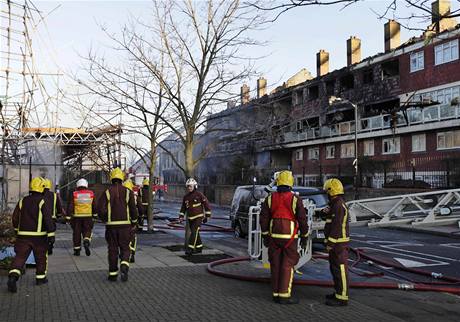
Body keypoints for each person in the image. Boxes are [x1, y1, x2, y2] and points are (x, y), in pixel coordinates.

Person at [259, 170, 309, 305]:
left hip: (274, 235)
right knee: (287, 265)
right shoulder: (295, 199)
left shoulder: (270, 198)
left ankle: (275, 294)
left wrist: (265, 235)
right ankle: (284, 295)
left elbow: (263, 218)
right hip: (290, 237)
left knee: (275, 264)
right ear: (291, 183)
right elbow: (302, 219)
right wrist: (304, 236)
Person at [7, 177, 55, 293]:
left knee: (20, 257)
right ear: (42, 188)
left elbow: (15, 217)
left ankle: (13, 276)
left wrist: (17, 230)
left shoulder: (23, 200)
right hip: (39, 237)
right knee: (40, 258)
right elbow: (48, 219)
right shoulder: (43, 201)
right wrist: (51, 234)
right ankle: (40, 278)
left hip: (23, 236)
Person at [98, 168, 138, 282]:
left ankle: (113, 274)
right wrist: (134, 222)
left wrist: (106, 219)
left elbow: (100, 209)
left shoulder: (107, 192)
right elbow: (133, 209)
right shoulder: (128, 192)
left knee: (112, 250)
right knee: (125, 248)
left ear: (112, 178)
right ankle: (124, 265)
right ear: (121, 178)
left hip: (111, 227)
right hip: (126, 226)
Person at [322, 178, 350, 307]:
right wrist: (323, 213)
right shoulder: (335, 204)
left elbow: (336, 226)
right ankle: (338, 293)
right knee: (335, 269)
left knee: (340, 270)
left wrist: (330, 243)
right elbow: (329, 220)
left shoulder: (338, 205)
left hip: (339, 244)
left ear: (331, 191)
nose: (326, 195)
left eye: (326, 192)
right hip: (336, 243)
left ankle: (342, 298)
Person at [178, 178, 211, 256]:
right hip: (190, 218)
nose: (189, 188)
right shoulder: (186, 197)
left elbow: (206, 204)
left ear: (195, 186)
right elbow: (183, 208)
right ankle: (199, 248)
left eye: (191, 186)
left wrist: (207, 215)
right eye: (188, 186)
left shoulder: (199, 195)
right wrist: (181, 216)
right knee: (195, 233)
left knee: (194, 232)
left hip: (198, 217)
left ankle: (190, 248)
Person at [67, 178, 97, 256]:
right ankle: (86, 240)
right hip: (88, 216)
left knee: (76, 233)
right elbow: (94, 205)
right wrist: (95, 215)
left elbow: (71, 205)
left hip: (77, 217)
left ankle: (77, 250)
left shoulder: (74, 194)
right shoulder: (91, 193)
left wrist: (68, 216)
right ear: (86, 185)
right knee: (87, 230)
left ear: (78, 185)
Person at [123, 179, 137, 263]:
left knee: (124, 237)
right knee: (133, 237)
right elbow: (136, 208)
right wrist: (135, 220)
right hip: (131, 220)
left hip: (123, 220)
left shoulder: (120, 196)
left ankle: (124, 254)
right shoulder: (134, 196)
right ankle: (132, 253)